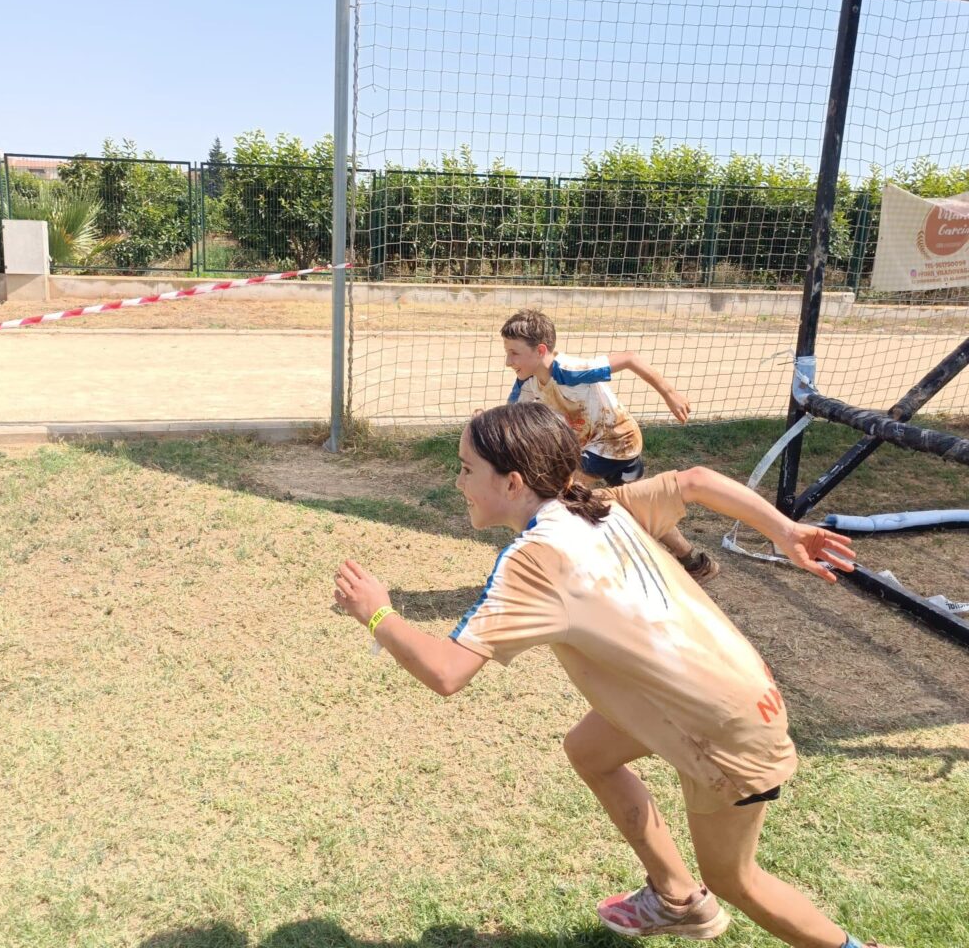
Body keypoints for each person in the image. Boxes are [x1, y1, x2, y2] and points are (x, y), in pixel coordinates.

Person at [333, 402, 891, 948]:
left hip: (722, 728)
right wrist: (784, 529)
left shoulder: (534, 560)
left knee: (735, 878)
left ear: (513, 482)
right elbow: (696, 481)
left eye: (466, 469)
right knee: (589, 750)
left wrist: (378, 614)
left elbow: (446, 672)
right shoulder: (599, 506)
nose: (459, 482)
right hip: (737, 690)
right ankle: (677, 897)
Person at [501, 307, 718, 583]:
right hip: (604, 447)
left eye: (514, 353)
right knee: (639, 506)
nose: (508, 361)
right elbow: (510, 417)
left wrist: (670, 393)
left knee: (561, 496)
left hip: (615, 442)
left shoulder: (569, 371)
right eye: (507, 352)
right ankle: (694, 561)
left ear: (540, 350)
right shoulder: (528, 381)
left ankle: (566, 568)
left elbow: (629, 358)